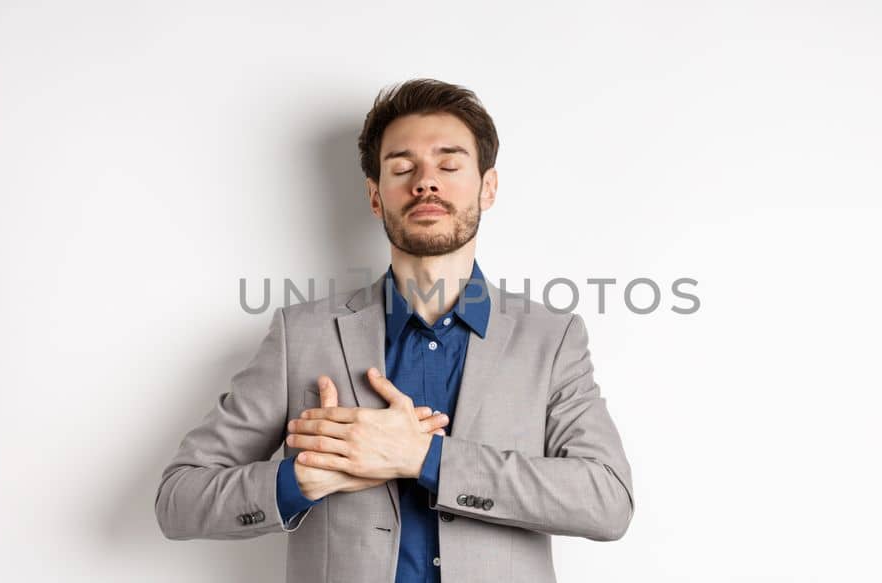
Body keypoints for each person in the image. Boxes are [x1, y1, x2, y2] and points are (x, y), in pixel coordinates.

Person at [155, 78, 634, 583]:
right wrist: (297, 480)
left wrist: (424, 457)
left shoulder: (552, 338)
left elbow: (607, 500)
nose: (425, 182)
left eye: (449, 165)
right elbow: (179, 499)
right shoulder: (301, 334)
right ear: (375, 196)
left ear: (487, 187)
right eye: (402, 167)